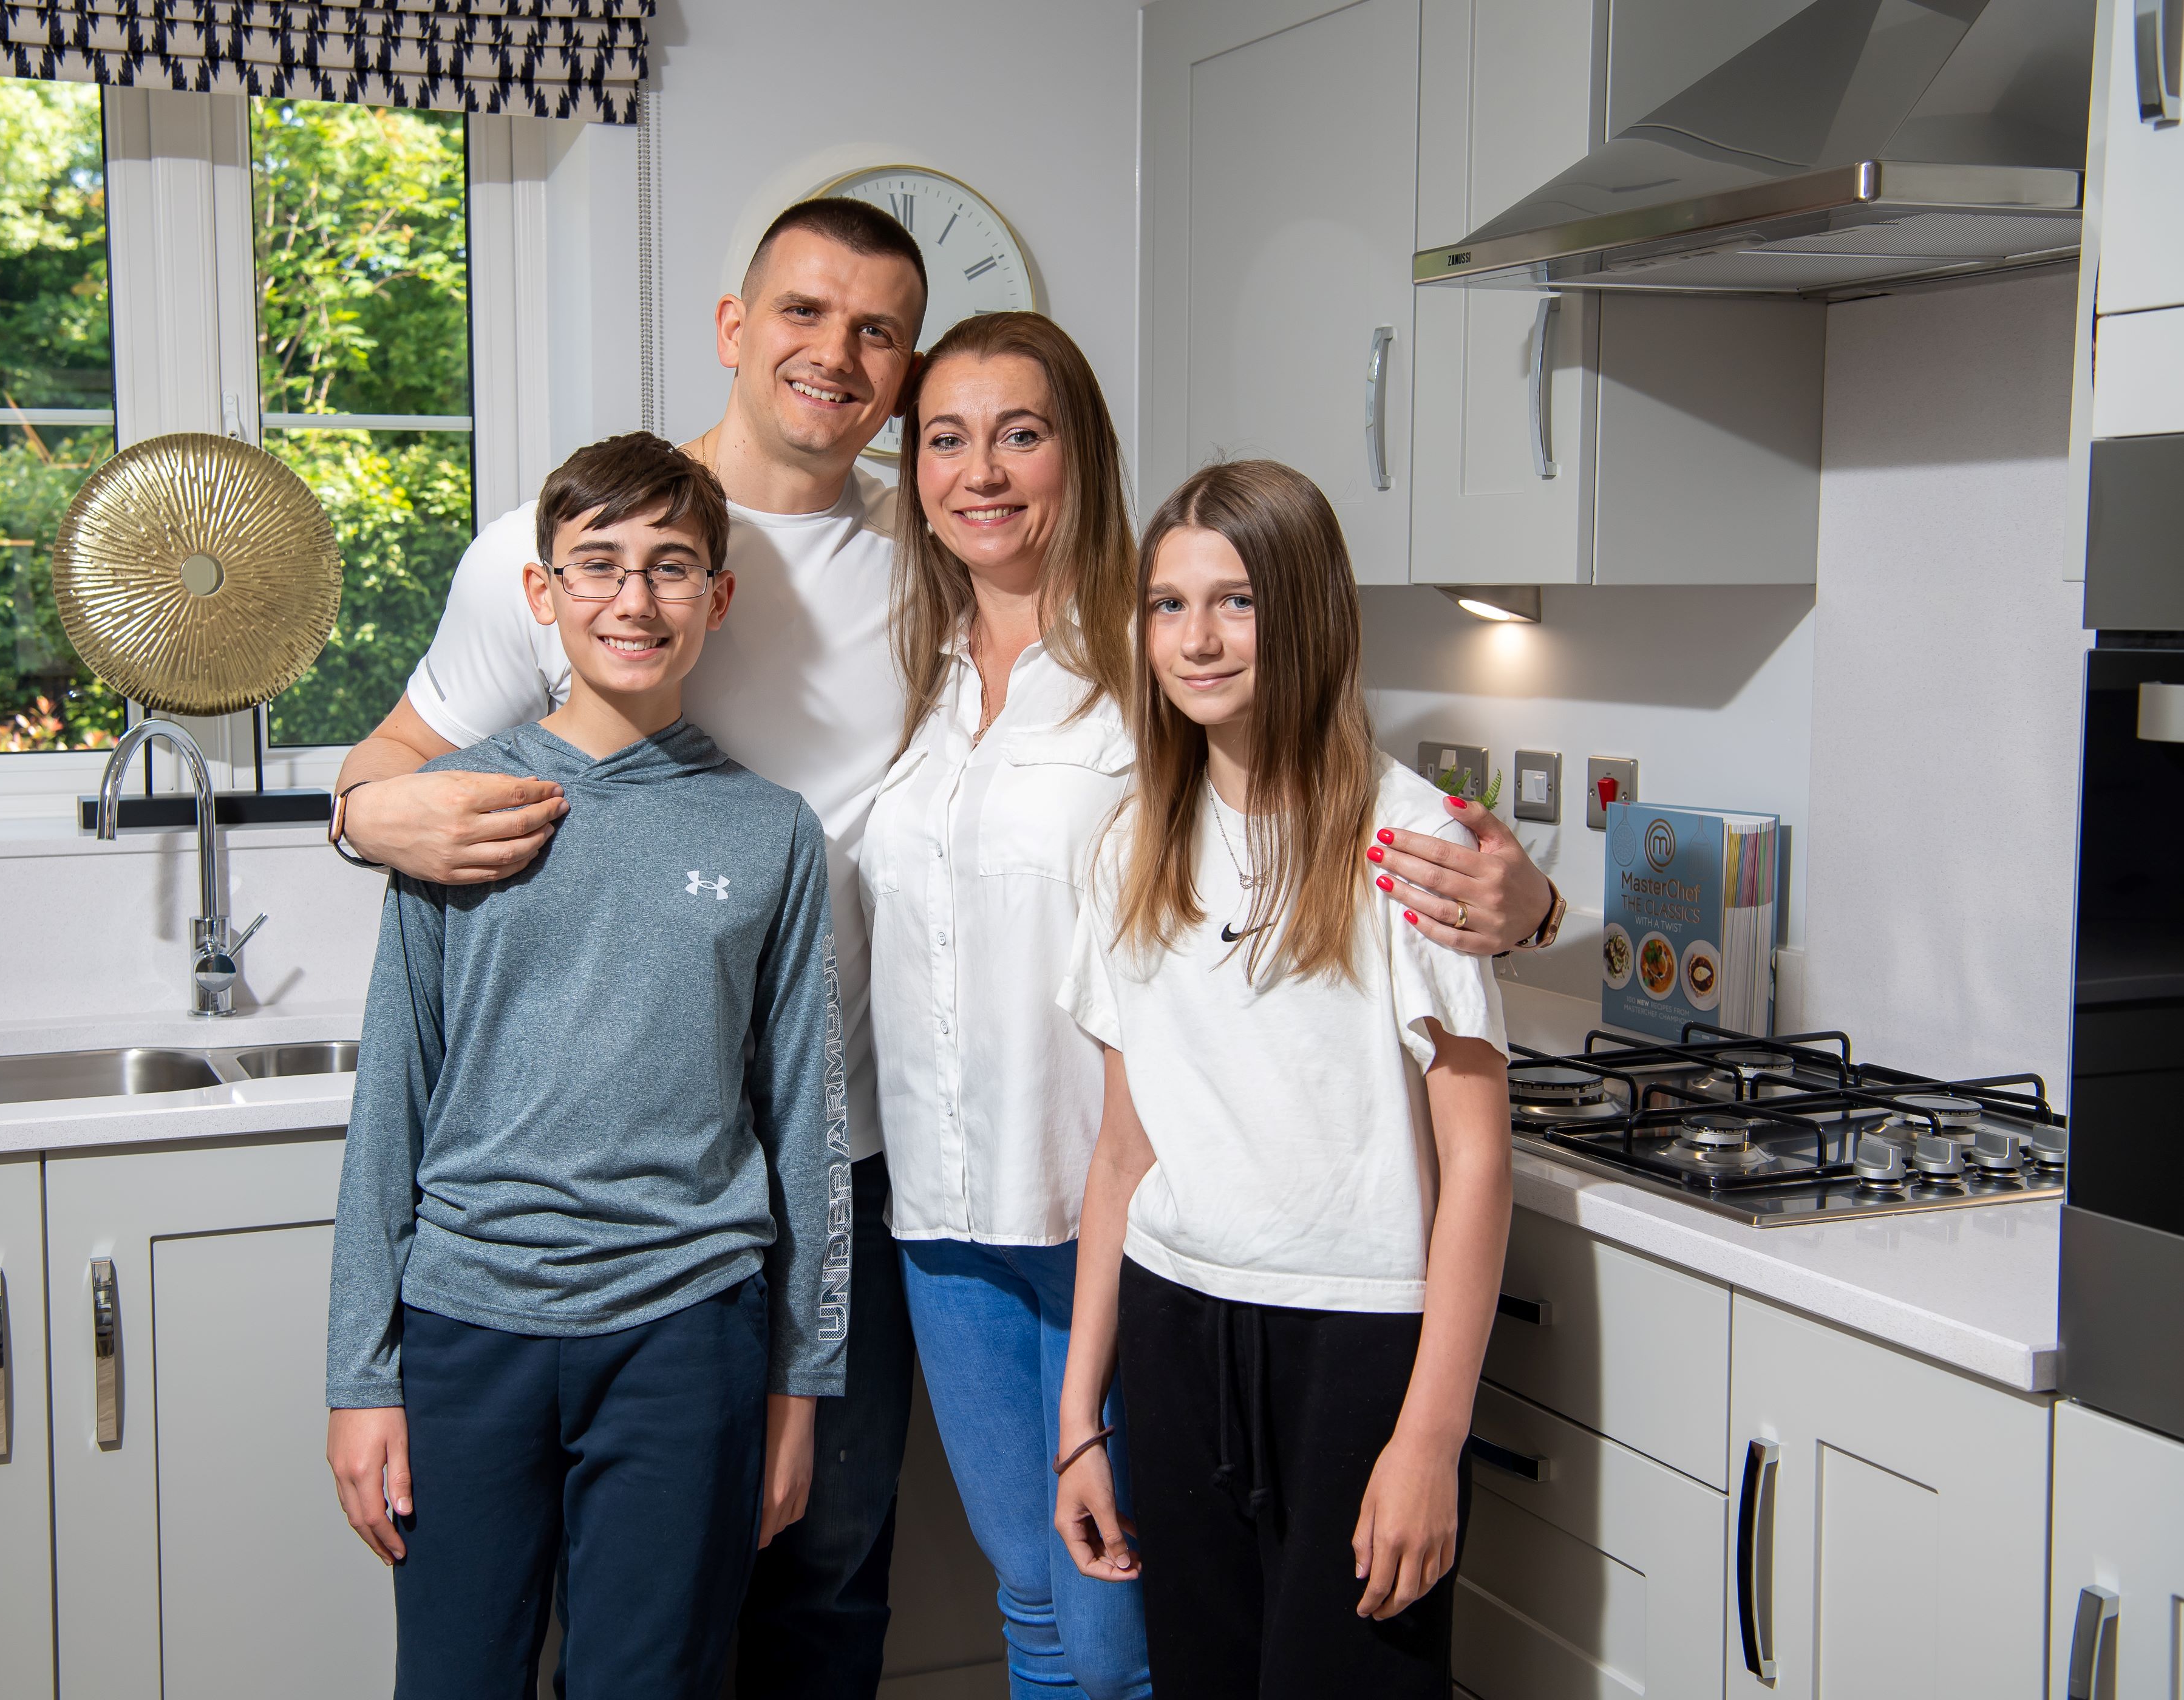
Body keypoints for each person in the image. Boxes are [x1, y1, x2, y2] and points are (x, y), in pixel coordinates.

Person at [324, 194, 1555, 1695]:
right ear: (735, 326)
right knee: (813, 1593)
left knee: (946, 1597)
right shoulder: (614, 552)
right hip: (859, 1193)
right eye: (802, 314)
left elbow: (1317, 773)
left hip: (1043, 1191)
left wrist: (1543, 904)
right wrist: (370, 820)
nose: (838, 358)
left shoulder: (1089, 633)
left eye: (882, 339)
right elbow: (387, 761)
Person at [322, 433, 851, 1699]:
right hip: (467, 1323)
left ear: (717, 599)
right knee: (454, 1676)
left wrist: (799, 1385)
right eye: (599, 563)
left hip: (687, 1330)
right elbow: (390, 1099)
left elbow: (804, 1125)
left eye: (671, 567)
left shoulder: (772, 833)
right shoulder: (451, 810)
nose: (634, 597)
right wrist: (360, 1374)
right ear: (541, 591)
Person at [1051, 461, 1515, 1699]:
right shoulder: (1128, 847)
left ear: (1305, 611)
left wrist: (1430, 1436)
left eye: (1236, 600)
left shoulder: (1414, 844)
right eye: (1166, 604)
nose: (1195, 638)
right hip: (1174, 1324)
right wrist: (1076, 1424)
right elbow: (1121, 1155)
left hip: (1358, 1349)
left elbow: (1477, 1162)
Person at [861, 311, 1149, 1699]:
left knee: (1110, 1631)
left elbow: (1336, 812)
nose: (982, 470)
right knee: (1029, 1600)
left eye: (1020, 433)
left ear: (1079, 451)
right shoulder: (905, 684)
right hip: (943, 1217)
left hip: (1115, 1221)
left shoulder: (1154, 667)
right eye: (947, 438)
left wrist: (1511, 895)